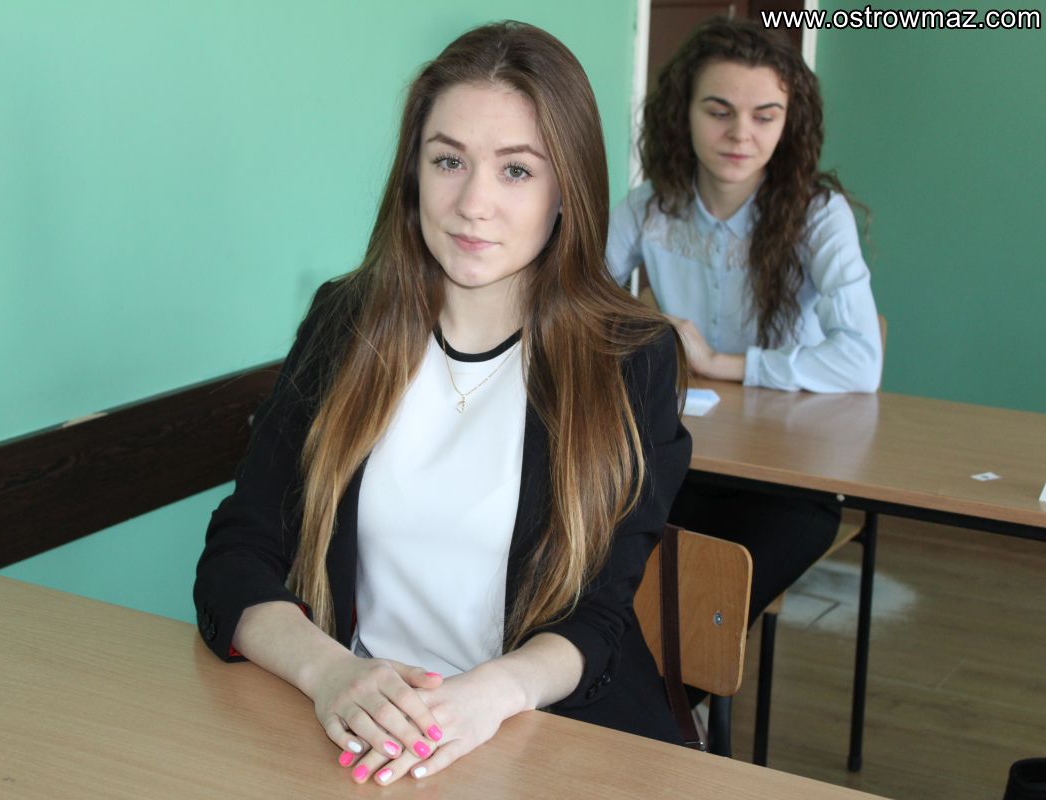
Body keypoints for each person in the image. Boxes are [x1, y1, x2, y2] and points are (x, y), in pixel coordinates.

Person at [195, 21, 692, 788]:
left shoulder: (630, 359)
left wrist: (486, 697)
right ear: (414, 174)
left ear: (567, 189)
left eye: (516, 170)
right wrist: (331, 674)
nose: (473, 203)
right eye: (448, 161)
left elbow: (598, 615)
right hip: (360, 734)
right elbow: (238, 556)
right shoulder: (345, 324)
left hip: (544, 736)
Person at [607, 17, 883, 627]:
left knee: (699, 614)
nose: (740, 134)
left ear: (790, 122)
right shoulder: (649, 205)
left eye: (765, 115)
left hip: (789, 477)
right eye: (719, 111)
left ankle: (668, 686)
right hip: (675, 456)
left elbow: (861, 362)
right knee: (608, 578)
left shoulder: (819, 215)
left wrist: (718, 363)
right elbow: (577, 299)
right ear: (683, 112)